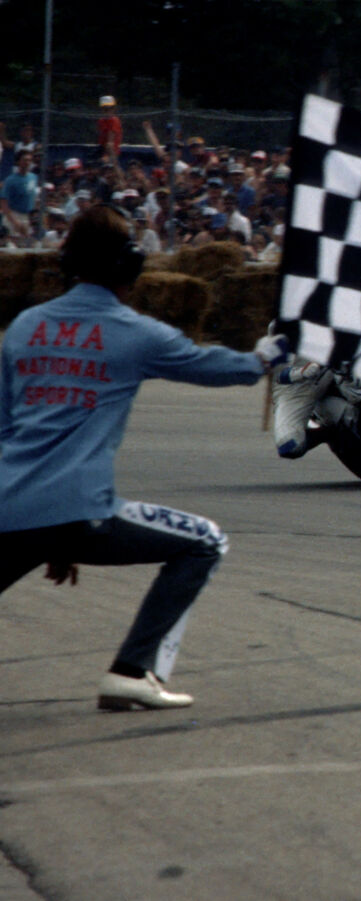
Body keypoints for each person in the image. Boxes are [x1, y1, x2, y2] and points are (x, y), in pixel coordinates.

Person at [1, 206, 289, 710]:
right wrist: (263, 359)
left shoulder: (23, 328)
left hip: (9, 506)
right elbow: (207, 365)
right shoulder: (132, 331)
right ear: (129, 269)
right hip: (80, 509)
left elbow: (6, 426)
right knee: (205, 542)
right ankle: (132, 671)